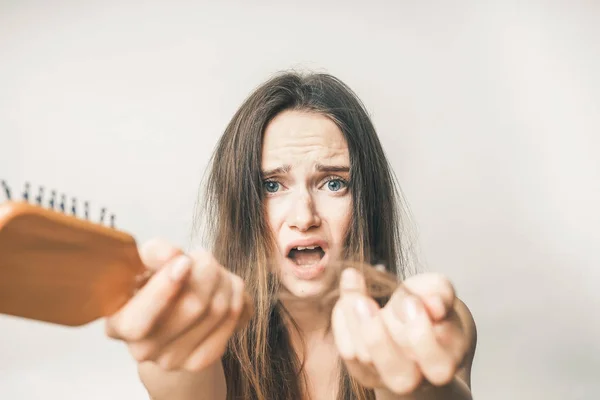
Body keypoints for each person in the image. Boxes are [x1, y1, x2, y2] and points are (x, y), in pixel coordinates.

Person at [104, 72, 477, 400]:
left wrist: (414, 383)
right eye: (272, 185)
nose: (304, 216)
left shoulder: (423, 322)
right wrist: (176, 353)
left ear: (366, 203)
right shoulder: (207, 334)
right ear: (242, 205)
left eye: (334, 183)